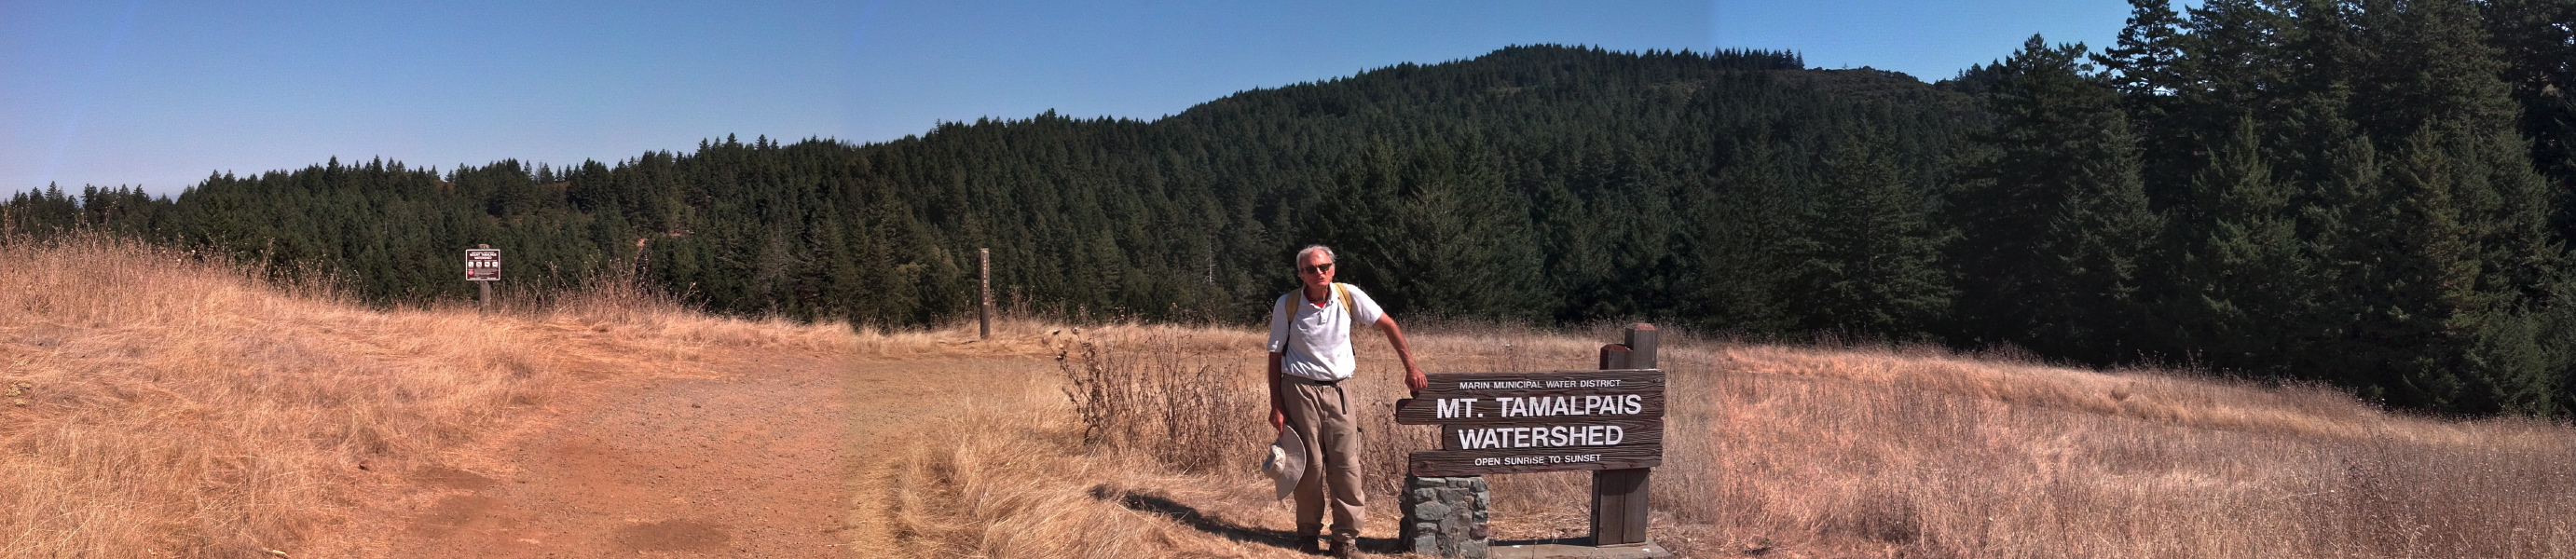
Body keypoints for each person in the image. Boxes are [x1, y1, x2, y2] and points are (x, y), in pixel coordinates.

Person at [1267, 244, 1428, 557]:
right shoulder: (1287, 304)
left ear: (1333, 268)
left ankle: (1345, 540)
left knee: (1346, 466)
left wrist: (1411, 367)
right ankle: (1307, 536)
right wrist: (1276, 404)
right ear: (1300, 273)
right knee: (1307, 467)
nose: (1319, 273)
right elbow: (1274, 356)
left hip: (1340, 391)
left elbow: (1388, 324)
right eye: (1311, 269)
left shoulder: (1348, 295)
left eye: (1324, 266)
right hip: (1299, 390)